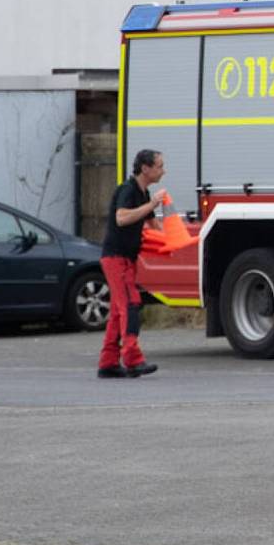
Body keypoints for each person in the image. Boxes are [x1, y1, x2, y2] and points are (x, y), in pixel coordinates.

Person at [98, 149, 168, 379]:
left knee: (119, 312)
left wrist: (175, 237)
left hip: (127, 258)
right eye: (159, 166)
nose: (163, 171)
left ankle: (108, 363)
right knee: (130, 304)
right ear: (145, 168)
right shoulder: (128, 190)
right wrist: (152, 205)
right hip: (116, 258)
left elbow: (154, 227)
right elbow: (122, 218)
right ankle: (133, 359)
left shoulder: (144, 193)